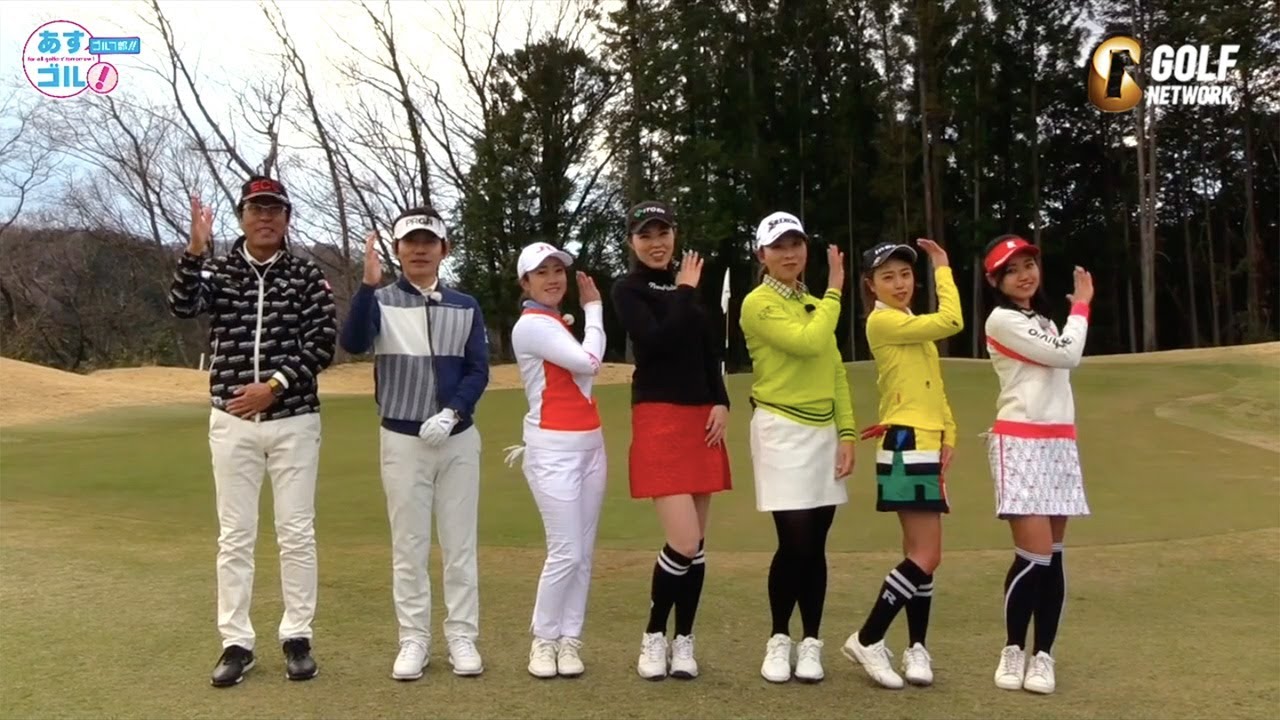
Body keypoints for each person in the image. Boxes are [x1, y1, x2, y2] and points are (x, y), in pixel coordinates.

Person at [168, 175, 337, 687]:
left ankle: (297, 637)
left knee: (296, 532)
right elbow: (182, 306)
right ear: (242, 217)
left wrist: (275, 387)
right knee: (236, 535)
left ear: (286, 218)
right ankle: (236, 643)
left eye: (274, 210)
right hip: (232, 421)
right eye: (256, 209)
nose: (265, 218)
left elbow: (322, 343)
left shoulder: (306, 274)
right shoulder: (218, 270)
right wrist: (194, 251)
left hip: (294, 419)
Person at [338, 207, 490, 681]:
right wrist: (367, 286)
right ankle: (414, 639)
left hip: (457, 438)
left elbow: (478, 369)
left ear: (444, 249)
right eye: (410, 242)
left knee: (460, 544)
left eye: (428, 242)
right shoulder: (380, 300)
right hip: (402, 439)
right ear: (398, 250)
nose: (419, 250)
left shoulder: (465, 305)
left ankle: (462, 635)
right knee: (409, 545)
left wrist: (453, 411)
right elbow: (353, 342)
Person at [610, 201, 732, 681]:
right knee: (683, 540)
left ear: (674, 235)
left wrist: (721, 401)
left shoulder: (691, 289)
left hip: (702, 417)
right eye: (646, 235)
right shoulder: (628, 289)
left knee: (696, 545)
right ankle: (654, 635)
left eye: (662, 233)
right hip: (659, 415)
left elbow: (709, 352)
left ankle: (684, 640)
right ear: (632, 242)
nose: (656, 243)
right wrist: (683, 290)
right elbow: (655, 340)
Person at [738, 211, 856, 685]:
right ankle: (778, 637)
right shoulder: (757, 303)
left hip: (823, 432)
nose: (789, 254)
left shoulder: (812, 302)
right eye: (779, 246)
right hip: (781, 429)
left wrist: (847, 433)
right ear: (761, 255)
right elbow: (808, 343)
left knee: (816, 545)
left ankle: (811, 642)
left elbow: (835, 372)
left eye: (796, 244)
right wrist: (836, 289)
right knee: (795, 542)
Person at [840, 238, 963, 690]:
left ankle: (917, 648)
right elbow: (952, 320)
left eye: (906, 274)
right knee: (929, 555)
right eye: (888, 277)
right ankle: (868, 637)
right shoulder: (884, 321)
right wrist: (942, 266)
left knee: (919, 555)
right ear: (871, 286)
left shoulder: (909, 322)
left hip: (922, 438)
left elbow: (933, 384)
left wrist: (949, 433)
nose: (900, 283)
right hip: (907, 441)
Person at [981, 234, 1093, 695]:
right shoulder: (1002, 320)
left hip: (1058, 443)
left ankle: (1043, 655)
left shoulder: (1043, 321)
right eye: (1011, 270)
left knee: (1053, 557)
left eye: (1028, 265)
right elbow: (1069, 354)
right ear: (995, 281)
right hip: (1021, 441)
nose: (1024, 275)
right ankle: (1013, 649)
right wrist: (1082, 305)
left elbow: (1061, 356)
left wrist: (1069, 317)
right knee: (1035, 555)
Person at [507, 242, 608, 680]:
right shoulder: (531, 325)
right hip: (553, 451)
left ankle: (570, 639)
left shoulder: (553, 322)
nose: (552, 278)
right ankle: (544, 639)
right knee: (566, 552)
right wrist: (595, 311)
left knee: (583, 553)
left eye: (557, 270)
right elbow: (589, 363)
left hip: (590, 446)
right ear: (525, 282)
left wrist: (581, 317)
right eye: (541, 272)